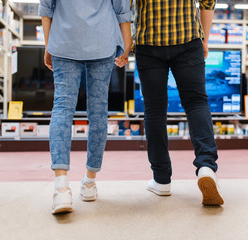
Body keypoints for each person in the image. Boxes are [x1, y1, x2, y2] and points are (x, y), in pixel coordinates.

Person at [39, 0, 132, 214]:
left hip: (64, 41)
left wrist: (48, 44)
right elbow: (122, 9)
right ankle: (89, 182)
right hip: (102, 41)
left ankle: (61, 187)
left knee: (62, 107)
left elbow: (46, 7)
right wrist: (126, 46)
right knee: (98, 111)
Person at [134, 0, 224, 205]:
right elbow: (207, 2)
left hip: (149, 41)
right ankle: (206, 167)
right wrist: (205, 39)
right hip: (187, 38)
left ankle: (162, 179)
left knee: (154, 110)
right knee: (196, 103)